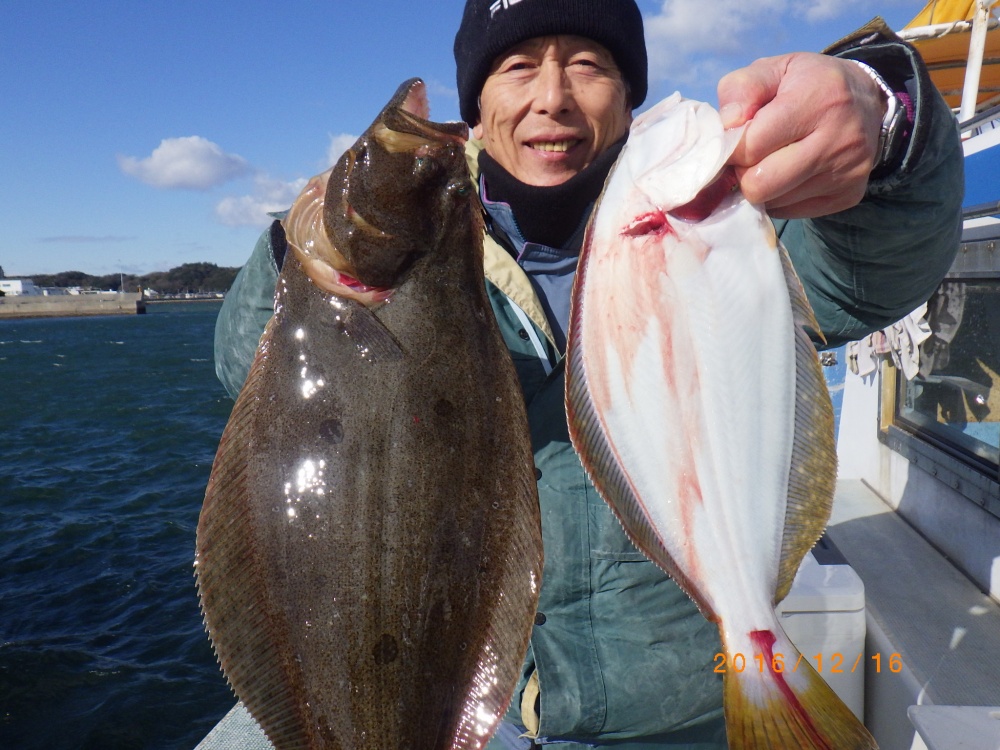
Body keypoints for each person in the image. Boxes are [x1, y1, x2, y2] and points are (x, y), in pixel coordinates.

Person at [213, 1, 963, 747]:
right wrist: (302, 249)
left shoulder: (732, 217)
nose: (553, 97)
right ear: (476, 109)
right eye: (517, 67)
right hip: (478, 712)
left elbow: (871, 273)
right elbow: (245, 363)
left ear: (629, 95)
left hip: (672, 718)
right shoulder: (419, 240)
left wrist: (885, 105)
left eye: (586, 64)